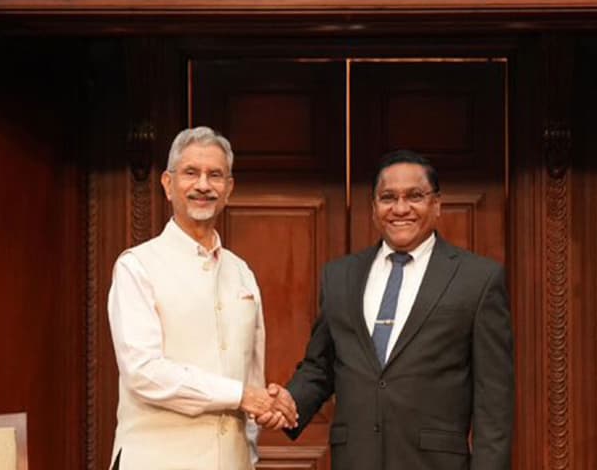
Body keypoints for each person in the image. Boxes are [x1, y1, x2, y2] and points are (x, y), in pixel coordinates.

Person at [268, 149, 514, 469]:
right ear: (374, 208)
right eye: (388, 197)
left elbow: (494, 402)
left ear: (436, 204)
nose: (400, 208)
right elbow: (321, 366)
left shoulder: (478, 279)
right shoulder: (340, 276)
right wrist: (289, 402)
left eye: (415, 196)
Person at [107, 126, 297, 470]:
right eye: (191, 173)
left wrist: (265, 407)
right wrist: (241, 395)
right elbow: (144, 372)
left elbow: (252, 378)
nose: (203, 185)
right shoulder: (136, 267)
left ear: (229, 189)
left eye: (216, 175)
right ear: (167, 184)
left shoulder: (242, 273)